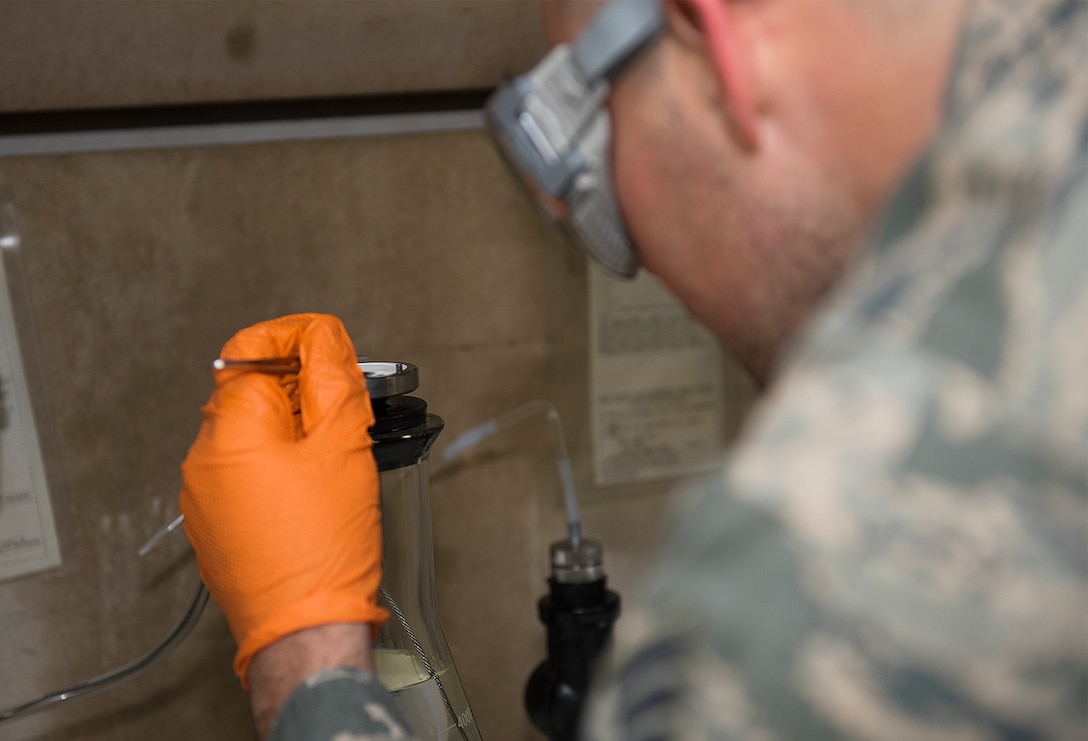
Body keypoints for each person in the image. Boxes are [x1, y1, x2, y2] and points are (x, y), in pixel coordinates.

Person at [178, 0, 1087, 739]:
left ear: (711, 32)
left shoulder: (852, 536)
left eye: (592, 160)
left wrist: (304, 657)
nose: (637, 256)